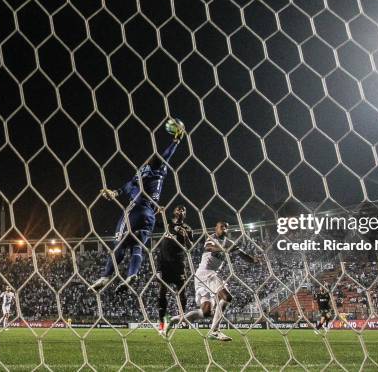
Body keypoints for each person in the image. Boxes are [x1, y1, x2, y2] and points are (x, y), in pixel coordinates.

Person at [91, 121, 186, 291]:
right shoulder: (159, 173)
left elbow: (128, 186)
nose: (150, 157)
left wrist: (114, 193)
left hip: (134, 210)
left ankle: (106, 277)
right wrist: (176, 140)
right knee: (138, 246)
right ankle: (132, 274)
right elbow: (164, 157)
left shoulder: (146, 171)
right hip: (149, 214)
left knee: (119, 244)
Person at [164, 221, 260, 341]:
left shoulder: (229, 243)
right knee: (227, 297)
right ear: (216, 228)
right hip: (205, 273)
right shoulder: (212, 238)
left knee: (206, 312)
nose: (224, 229)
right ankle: (215, 331)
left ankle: (175, 319)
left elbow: (242, 254)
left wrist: (253, 260)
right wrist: (224, 249)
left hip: (206, 276)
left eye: (226, 227)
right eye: (221, 227)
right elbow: (209, 247)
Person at [157, 205, 193, 332]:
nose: (181, 211)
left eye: (183, 210)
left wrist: (186, 237)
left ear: (185, 214)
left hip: (178, 264)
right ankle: (161, 323)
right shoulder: (167, 223)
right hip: (163, 263)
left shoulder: (187, 228)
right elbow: (154, 223)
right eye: (178, 209)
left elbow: (190, 247)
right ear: (174, 211)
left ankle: (182, 320)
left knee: (182, 292)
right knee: (162, 292)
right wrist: (158, 212)